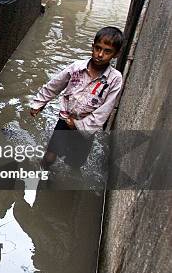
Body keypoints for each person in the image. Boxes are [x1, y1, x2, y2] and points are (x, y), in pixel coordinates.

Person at [29, 27, 124, 169]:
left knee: (74, 164)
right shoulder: (76, 68)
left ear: (115, 54)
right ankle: (42, 178)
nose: (100, 54)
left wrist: (79, 125)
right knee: (49, 156)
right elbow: (55, 85)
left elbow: (104, 111)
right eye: (97, 48)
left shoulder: (114, 79)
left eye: (107, 51)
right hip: (65, 120)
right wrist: (38, 103)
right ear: (92, 47)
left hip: (86, 128)